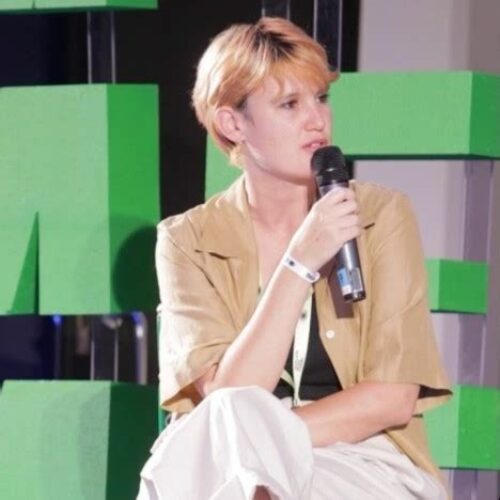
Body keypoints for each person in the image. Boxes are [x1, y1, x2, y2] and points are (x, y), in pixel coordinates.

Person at [138, 17, 452, 500]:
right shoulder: (187, 241)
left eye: (320, 98)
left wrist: (267, 441)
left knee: (236, 469)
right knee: (233, 453)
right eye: (289, 104)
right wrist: (299, 264)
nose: (317, 120)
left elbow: (392, 398)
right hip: (232, 463)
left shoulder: (380, 215)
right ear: (232, 123)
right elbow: (228, 397)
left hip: (365, 459)